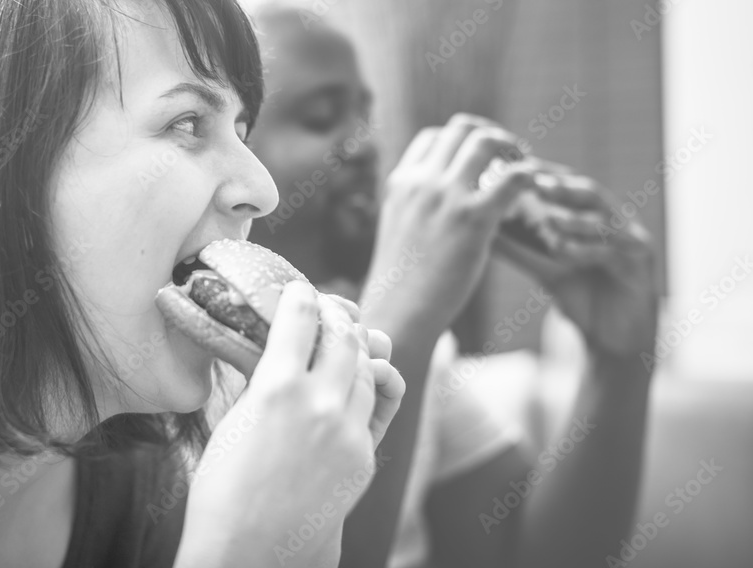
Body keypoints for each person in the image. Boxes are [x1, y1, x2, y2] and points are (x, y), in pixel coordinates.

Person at [0, 1, 406, 567]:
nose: (261, 190)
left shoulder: (135, 481)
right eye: (187, 123)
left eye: (242, 130)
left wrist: (306, 524)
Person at [245, 5, 659, 568]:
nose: (365, 147)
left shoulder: (425, 356)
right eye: (321, 116)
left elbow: (532, 558)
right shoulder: (201, 366)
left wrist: (620, 362)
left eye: (366, 118)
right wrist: (407, 308)